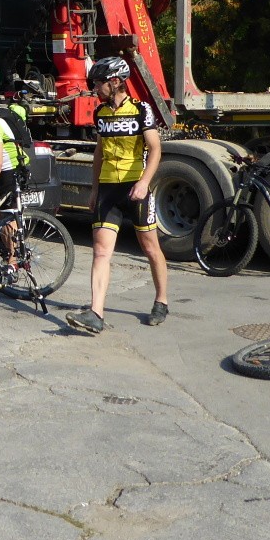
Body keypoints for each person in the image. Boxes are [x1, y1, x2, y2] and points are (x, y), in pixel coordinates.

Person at [65, 56, 169, 334]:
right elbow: (99, 152)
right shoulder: (100, 113)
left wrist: (144, 182)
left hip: (136, 187)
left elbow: (155, 149)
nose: (95, 88)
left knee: (150, 248)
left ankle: (161, 300)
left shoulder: (141, 110)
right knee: (101, 252)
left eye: (98, 83)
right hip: (108, 189)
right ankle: (96, 313)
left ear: (114, 82)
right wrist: (94, 189)